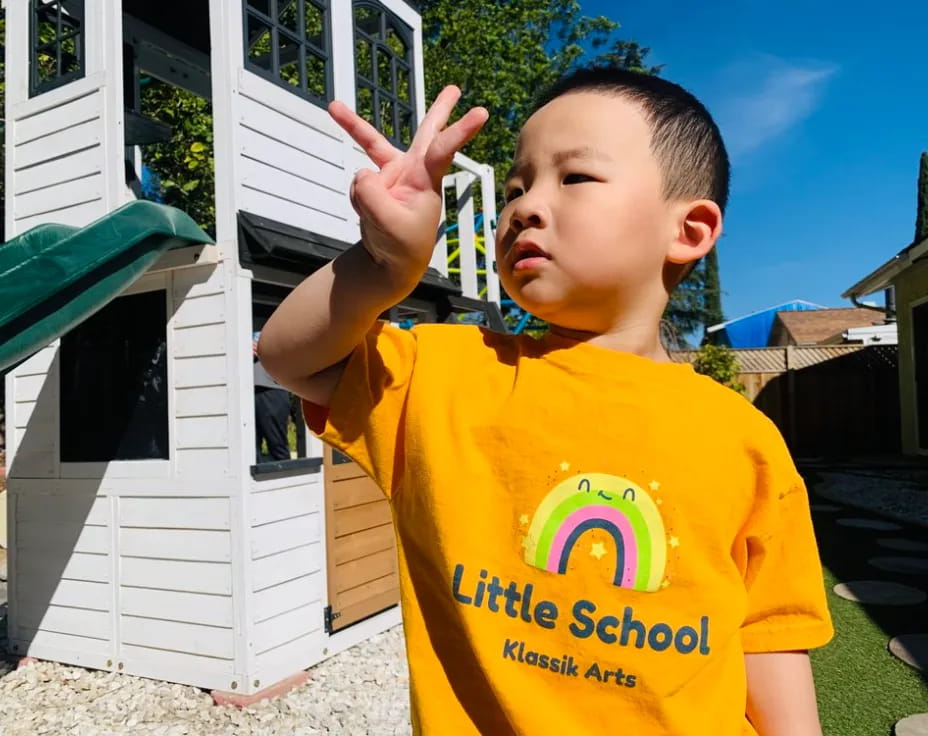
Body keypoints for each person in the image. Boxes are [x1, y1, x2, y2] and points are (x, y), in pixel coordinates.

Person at [258, 68, 834, 735]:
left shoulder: (745, 440)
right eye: (515, 187)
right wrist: (383, 264)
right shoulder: (443, 374)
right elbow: (290, 356)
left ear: (690, 230)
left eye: (575, 178)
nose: (525, 206)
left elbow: (767, 635)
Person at [253, 332, 291, 463]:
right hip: (245, 391)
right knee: (250, 448)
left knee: (277, 445)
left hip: (271, 390)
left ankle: (286, 480)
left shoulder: (282, 324)